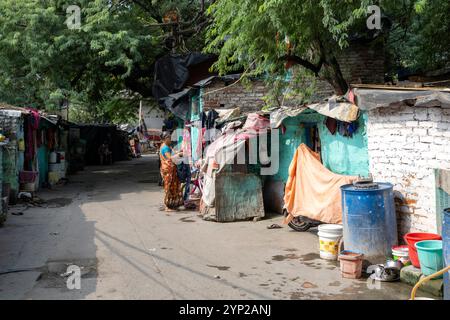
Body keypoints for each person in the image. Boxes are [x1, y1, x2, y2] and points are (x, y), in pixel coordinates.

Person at [159, 132, 184, 212]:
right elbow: (170, 158)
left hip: (171, 169)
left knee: (173, 187)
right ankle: (167, 206)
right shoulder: (165, 148)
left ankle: (172, 204)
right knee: (168, 187)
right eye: (168, 138)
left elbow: (174, 152)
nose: (170, 139)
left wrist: (179, 152)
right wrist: (178, 155)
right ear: (165, 139)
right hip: (168, 170)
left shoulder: (167, 146)